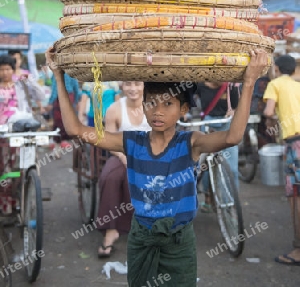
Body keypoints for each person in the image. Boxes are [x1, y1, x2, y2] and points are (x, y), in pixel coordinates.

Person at [45, 47, 267, 286]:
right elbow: (76, 130)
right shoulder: (130, 141)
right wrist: (58, 75)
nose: (157, 111)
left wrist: (249, 82)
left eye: (168, 104)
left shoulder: (189, 143)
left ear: (183, 110)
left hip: (179, 239)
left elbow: (232, 137)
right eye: (151, 103)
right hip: (142, 236)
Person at [97, 81, 151, 257]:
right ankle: (111, 230)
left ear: (144, 85)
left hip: (150, 155)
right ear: (122, 86)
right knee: (109, 177)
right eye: (128, 84)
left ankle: (149, 225)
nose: (133, 88)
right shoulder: (114, 109)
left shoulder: (154, 105)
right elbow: (109, 140)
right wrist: (123, 157)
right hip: (122, 153)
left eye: (137, 84)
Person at [263, 54, 300, 266]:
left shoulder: (275, 84)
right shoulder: (297, 85)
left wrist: (270, 120)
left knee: (295, 197)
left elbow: (269, 110)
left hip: (294, 143)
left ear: (276, 68)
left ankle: (298, 250)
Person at [0, 55, 45, 214]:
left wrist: (30, 80)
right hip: (2, 135)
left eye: (8, 69)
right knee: (4, 170)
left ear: (13, 70)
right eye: (2, 69)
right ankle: (5, 204)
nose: (5, 72)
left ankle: (21, 199)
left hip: (19, 132)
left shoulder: (20, 85)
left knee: (20, 167)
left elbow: (41, 96)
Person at [196, 82, 240, 212]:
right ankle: (208, 196)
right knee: (206, 165)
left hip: (227, 124)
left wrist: (234, 112)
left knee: (231, 168)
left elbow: (239, 105)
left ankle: (230, 204)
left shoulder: (231, 85)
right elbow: (189, 100)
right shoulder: (199, 84)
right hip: (208, 123)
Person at [47, 73, 81, 153]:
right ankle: (59, 147)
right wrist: (76, 100)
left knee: (60, 122)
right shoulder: (70, 71)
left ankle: (59, 147)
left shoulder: (59, 72)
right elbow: (76, 87)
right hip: (66, 97)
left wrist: (51, 101)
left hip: (62, 97)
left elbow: (55, 88)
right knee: (64, 122)